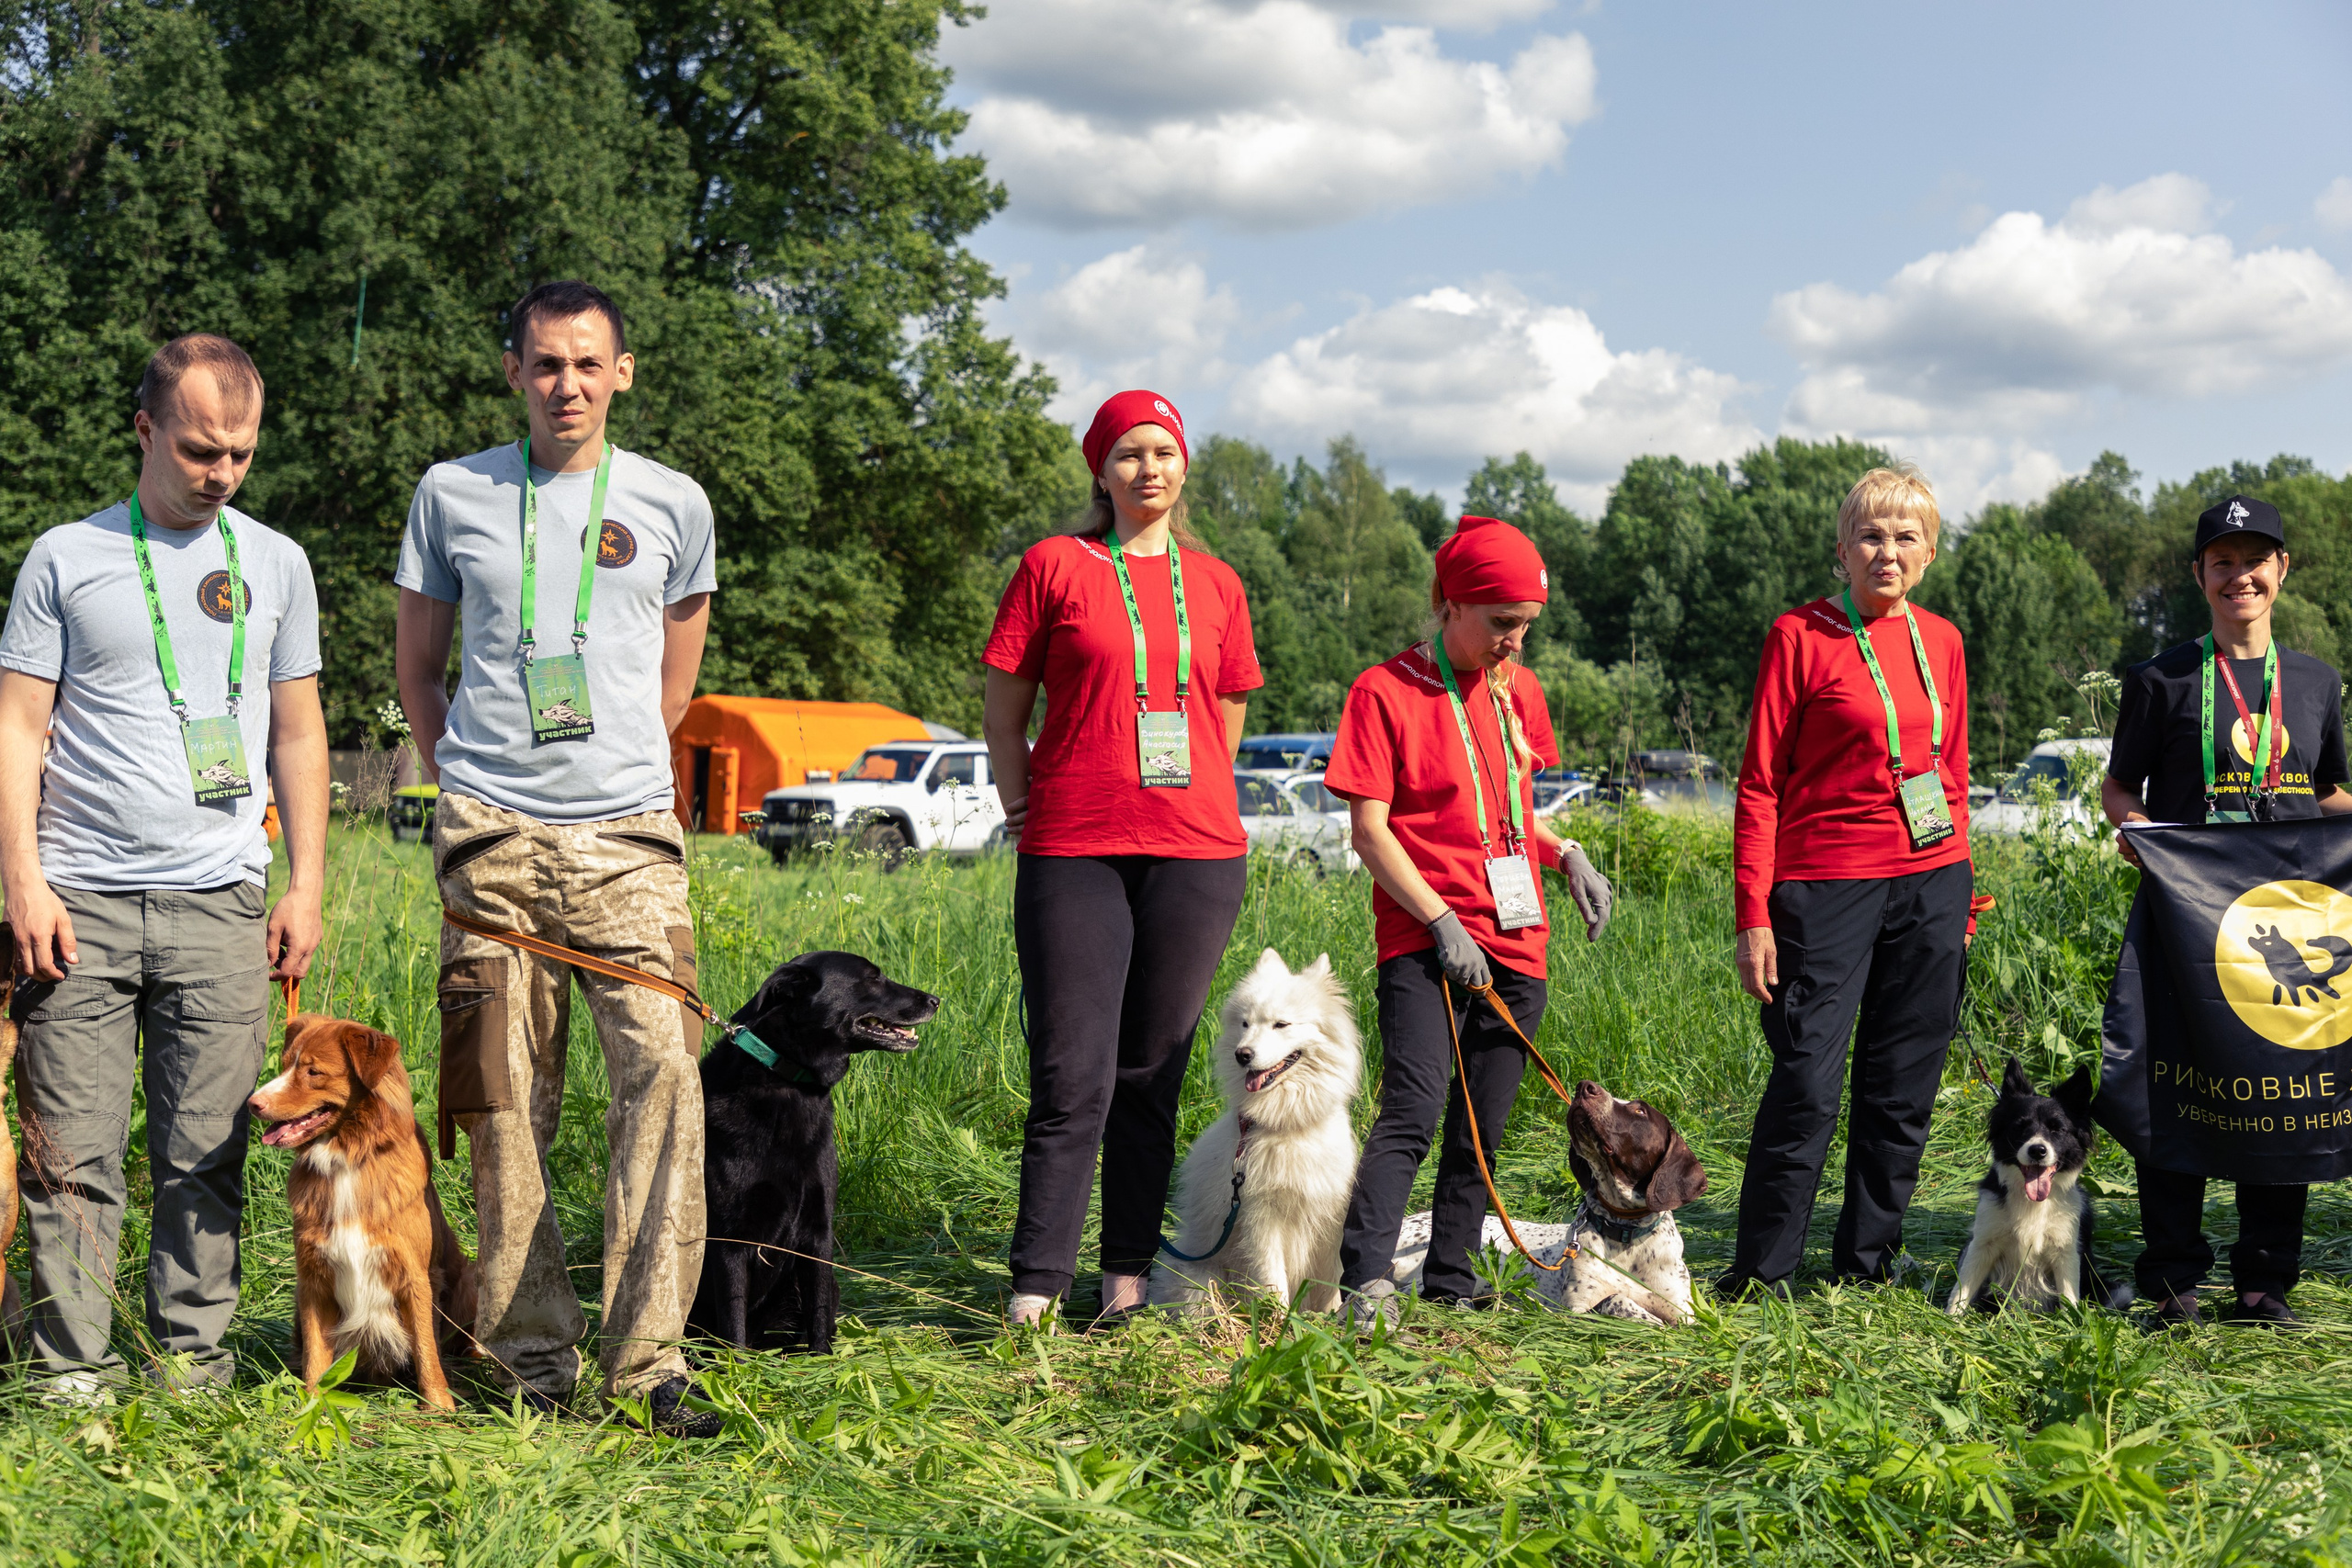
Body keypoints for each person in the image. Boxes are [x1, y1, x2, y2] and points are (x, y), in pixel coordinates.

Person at [395, 281, 719, 1433]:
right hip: (494, 848)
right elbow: (420, 669)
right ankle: (533, 1362)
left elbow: (673, 686)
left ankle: (649, 1368)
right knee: (503, 1101)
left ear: (622, 372)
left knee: (666, 1083)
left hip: (633, 844)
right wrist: (473, 788)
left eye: (588, 364)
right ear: (513, 372)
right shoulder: (451, 494)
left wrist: (612, 782)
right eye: (545, 365)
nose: (566, 385)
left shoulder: (675, 502)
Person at [0, 333, 327, 1401]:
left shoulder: (277, 562)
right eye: (198, 449)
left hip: (222, 900)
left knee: (207, 1153)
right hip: (77, 900)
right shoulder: (65, 557)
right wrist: (23, 880)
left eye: (239, 453)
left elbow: (299, 734)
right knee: (71, 1161)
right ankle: (68, 1374)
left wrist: (307, 882)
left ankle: (192, 1366)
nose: (220, 473)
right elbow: (16, 726)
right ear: (144, 429)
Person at [981, 390, 1261, 1327]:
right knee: (1073, 1079)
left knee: (1153, 1075)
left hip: (1195, 856)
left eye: (1163, 451)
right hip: (1074, 849)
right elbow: (1005, 704)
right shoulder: (1054, 566)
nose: (1149, 468)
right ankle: (1035, 1291)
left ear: (1184, 465)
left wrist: (1204, 797)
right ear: (1100, 472)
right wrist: (1021, 800)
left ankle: (1125, 1288)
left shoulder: (1216, 582)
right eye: (1128, 454)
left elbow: (1225, 712)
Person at [1323, 516, 1613, 1325]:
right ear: (1450, 603)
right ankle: (1367, 1278)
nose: (1515, 642)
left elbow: (1510, 813)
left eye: (1526, 624)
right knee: (1414, 1108)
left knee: (1482, 1128)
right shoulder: (1384, 692)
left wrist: (1568, 855)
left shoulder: (1519, 690)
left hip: (1518, 939)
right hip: (1428, 938)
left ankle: (1452, 1271)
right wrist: (1442, 920)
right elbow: (1371, 829)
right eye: (1500, 622)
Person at [2101, 494, 2352, 1327]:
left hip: (2289, 922)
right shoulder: (2162, 678)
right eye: (2222, 561)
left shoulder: (2316, 682)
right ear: (2200, 575)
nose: (2238, 575)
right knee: (2178, 1090)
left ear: (2281, 570)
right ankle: (2173, 1280)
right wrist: (2140, 836)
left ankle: (2262, 1283)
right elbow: (2120, 790)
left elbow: (2327, 794)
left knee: (2284, 1092)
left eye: (2255, 560)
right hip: (2189, 928)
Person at [1724, 464, 1973, 1296]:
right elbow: (1759, 781)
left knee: (1902, 1086)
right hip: (1825, 884)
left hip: (1932, 878)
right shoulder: (1800, 635)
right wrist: (1752, 916)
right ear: (1843, 549)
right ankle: (1763, 1273)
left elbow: (1954, 769)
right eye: (1871, 535)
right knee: (1807, 1084)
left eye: (1906, 537)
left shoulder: (1942, 640)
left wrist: (1961, 893)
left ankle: (1867, 1264)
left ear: (1930, 551)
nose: (1887, 552)